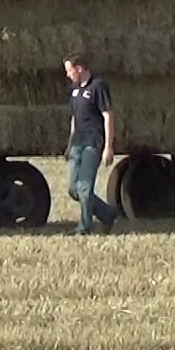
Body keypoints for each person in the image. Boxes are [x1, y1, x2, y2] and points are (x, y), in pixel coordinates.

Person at [64, 53, 118, 235]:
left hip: (93, 142)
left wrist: (108, 147)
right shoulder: (74, 89)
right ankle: (107, 213)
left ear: (79, 68)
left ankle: (85, 226)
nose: (68, 75)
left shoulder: (98, 86)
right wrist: (69, 144)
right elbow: (74, 117)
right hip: (77, 143)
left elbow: (108, 115)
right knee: (73, 188)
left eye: (70, 70)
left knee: (85, 186)